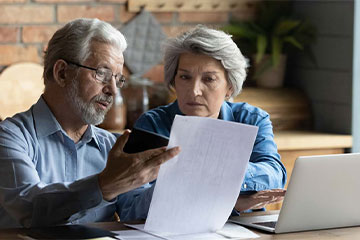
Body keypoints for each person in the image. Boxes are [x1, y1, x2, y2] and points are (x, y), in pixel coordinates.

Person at [0, 18, 180, 228]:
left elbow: (133, 209)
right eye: (102, 74)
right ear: (62, 73)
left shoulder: (111, 145)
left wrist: (175, 185)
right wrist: (103, 186)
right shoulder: (10, 137)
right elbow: (29, 209)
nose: (113, 90)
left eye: (118, 79)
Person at [134, 25, 287, 213]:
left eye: (209, 79)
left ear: (229, 87)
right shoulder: (151, 125)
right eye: (184, 77)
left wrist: (216, 171)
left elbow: (274, 174)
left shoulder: (252, 119)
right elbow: (132, 207)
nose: (194, 91)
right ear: (173, 81)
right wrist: (230, 201)